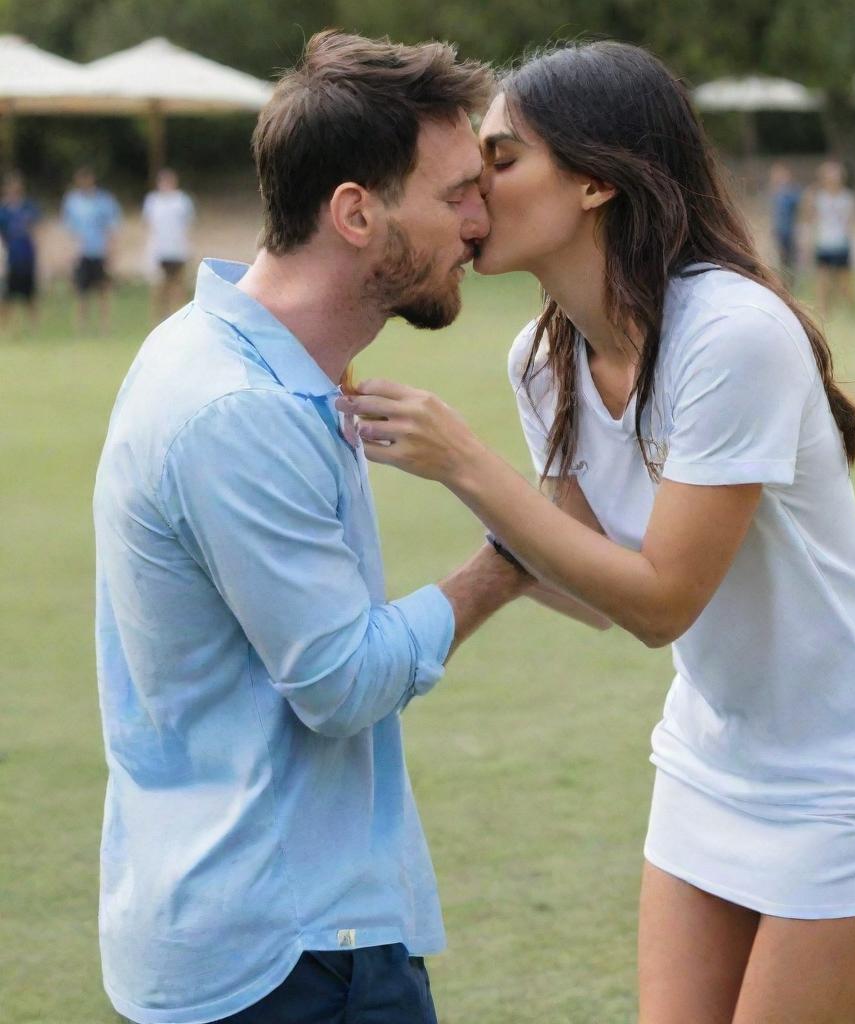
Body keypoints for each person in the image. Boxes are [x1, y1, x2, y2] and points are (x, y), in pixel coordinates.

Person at [345, 42, 855, 1024]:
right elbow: (588, 584)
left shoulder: (730, 334)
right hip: (711, 760)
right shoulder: (541, 357)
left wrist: (464, 461)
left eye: (501, 160)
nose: (473, 188)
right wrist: (409, 597)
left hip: (851, 771)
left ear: (595, 179)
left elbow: (660, 600)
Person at [93, 31, 603, 1024]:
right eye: (455, 190)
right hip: (290, 956)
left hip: (259, 931)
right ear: (356, 213)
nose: (479, 216)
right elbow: (342, 682)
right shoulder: (237, 408)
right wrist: (506, 557)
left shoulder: (224, 354)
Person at [61, 166, 121, 334]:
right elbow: (69, 230)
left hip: (99, 251)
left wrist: (112, 252)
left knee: (103, 291)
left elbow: (111, 228)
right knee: (81, 293)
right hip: (81, 253)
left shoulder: (104, 200)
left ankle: (104, 326)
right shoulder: (72, 201)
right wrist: (69, 253)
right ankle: (81, 328)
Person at [142, 167, 196, 322]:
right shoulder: (152, 201)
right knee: (158, 289)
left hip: (178, 250)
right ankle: (157, 321)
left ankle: (178, 319)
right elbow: (148, 225)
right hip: (159, 251)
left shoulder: (182, 201)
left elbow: (188, 225)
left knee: (178, 287)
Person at [812, 159, 855, 318]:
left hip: (840, 245)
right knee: (823, 282)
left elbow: (851, 223)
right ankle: (824, 313)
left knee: (844, 282)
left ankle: (853, 311)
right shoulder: (819, 198)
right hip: (824, 244)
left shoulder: (847, 198)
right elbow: (812, 220)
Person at [0, 171, 42, 334]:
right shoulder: (3, 210)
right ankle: (5, 330)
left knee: (30, 296)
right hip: (10, 259)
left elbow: (37, 231)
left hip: (27, 257)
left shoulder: (28, 207)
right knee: (7, 298)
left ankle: (34, 329)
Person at [768, 162, 802, 288]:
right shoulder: (775, 193)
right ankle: (783, 283)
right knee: (781, 259)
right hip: (779, 232)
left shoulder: (792, 191)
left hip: (790, 232)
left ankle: (791, 284)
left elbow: (799, 210)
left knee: (790, 260)